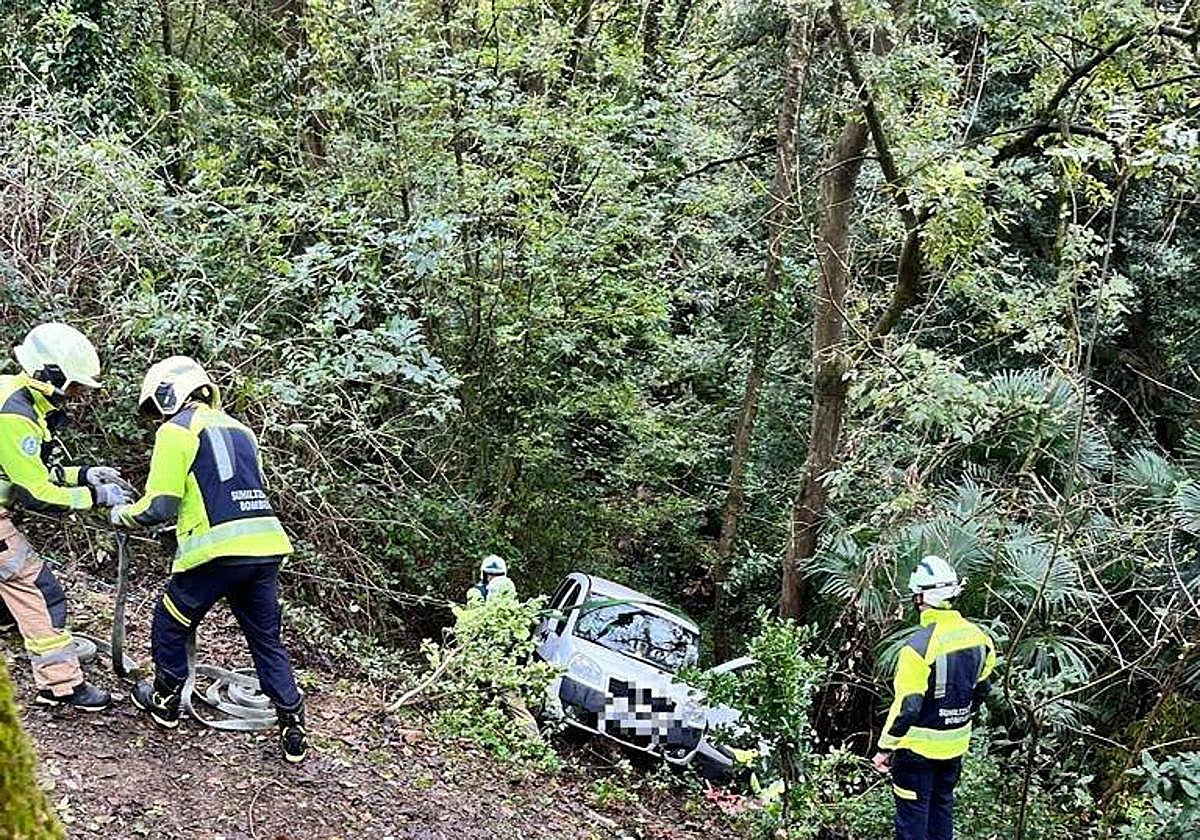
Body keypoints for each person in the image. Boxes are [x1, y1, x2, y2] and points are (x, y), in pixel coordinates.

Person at [109, 356, 309, 763]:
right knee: (264, 637)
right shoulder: (242, 430)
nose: (156, 416)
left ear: (170, 392)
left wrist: (122, 515)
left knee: (170, 621)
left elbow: (161, 504)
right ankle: (292, 721)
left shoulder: (175, 431)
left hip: (215, 554)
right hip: (265, 549)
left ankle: (165, 700)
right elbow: (231, 489)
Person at [0, 323, 128, 710]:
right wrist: (95, 496)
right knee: (39, 590)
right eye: (74, 387)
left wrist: (85, 473)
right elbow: (36, 493)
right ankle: (62, 685)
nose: (77, 396)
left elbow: (32, 469)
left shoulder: (18, 396)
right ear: (48, 374)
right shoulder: (16, 416)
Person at [872, 555, 996, 840]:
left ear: (920, 597)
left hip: (916, 751)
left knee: (913, 818)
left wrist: (884, 748)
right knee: (942, 808)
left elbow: (908, 706)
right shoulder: (980, 638)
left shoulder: (918, 647)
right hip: (955, 746)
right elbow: (982, 690)